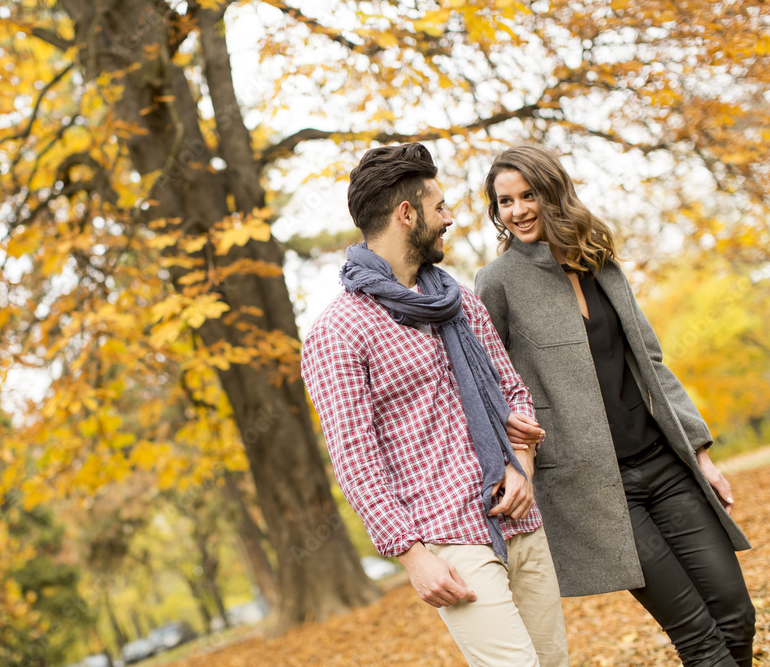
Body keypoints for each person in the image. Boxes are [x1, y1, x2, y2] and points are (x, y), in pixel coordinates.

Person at [475, 143, 756, 666]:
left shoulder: (598, 262)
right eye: (505, 202)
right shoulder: (498, 283)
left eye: (528, 195)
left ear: (553, 192)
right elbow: (490, 382)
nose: (517, 211)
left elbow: (651, 362)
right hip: (598, 490)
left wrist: (699, 452)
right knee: (699, 639)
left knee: (737, 616)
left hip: (665, 466)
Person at [300, 142, 569, 666]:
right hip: (448, 535)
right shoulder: (339, 331)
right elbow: (357, 462)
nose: (448, 218)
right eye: (438, 206)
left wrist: (524, 468)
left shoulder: (457, 299)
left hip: (517, 513)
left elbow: (512, 389)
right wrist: (412, 556)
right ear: (407, 214)